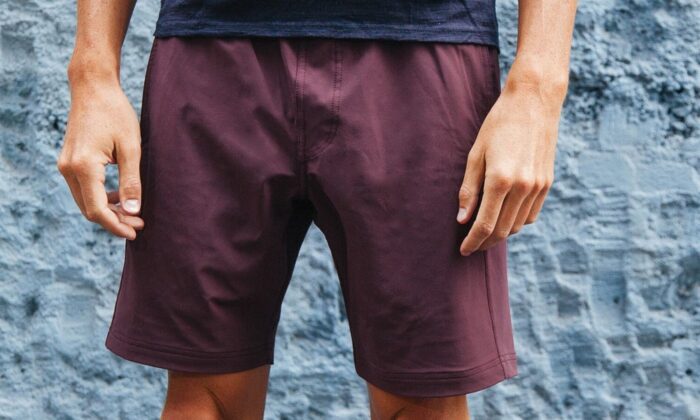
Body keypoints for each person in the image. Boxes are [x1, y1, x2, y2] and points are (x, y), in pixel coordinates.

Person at [57, 0, 577, 418]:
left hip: (425, 46)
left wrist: (538, 87)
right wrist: (92, 73)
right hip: (210, 44)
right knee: (203, 400)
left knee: (425, 401)